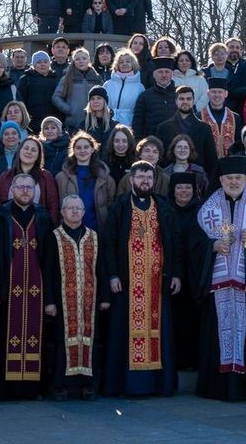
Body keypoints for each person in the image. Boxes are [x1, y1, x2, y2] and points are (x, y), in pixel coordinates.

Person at [100, 161, 183, 397]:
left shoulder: (163, 206)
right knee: (123, 333)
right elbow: (109, 243)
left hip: (157, 283)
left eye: (149, 178)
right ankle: (127, 385)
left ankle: (159, 384)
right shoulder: (121, 206)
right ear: (132, 180)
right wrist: (113, 274)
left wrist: (176, 274)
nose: (145, 181)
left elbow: (176, 243)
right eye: (141, 177)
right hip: (128, 283)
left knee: (160, 333)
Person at [190, 156, 246, 401]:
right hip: (217, 285)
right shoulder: (207, 208)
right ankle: (215, 388)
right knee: (215, 335)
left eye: (238, 178)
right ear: (221, 180)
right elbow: (193, 244)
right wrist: (211, 246)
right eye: (229, 178)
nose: (234, 182)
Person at [0, 173, 53, 399]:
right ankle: (0, 390)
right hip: (5, 290)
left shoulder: (42, 216)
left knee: (36, 338)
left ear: (35, 192)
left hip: (36, 290)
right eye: (20, 187)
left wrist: (50, 295)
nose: (25, 191)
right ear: (11, 189)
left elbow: (50, 259)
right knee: (1, 339)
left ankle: (33, 390)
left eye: (29, 187)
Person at [42, 195, 106, 401]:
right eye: (70, 208)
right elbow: (47, 271)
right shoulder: (54, 237)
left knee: (90, 339)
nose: (75, 212)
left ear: (84, 212)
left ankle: (87, 385)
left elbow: (102, 269)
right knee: (63, 342)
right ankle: (61, 385)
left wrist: (105, 297)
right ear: (62, 212)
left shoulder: (94, 237)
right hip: (63, 301)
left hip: (90, 299)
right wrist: (49, 301)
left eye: (79, 208)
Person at [167, 172, 203, 369]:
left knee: (192, 318)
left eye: (188, 187)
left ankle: (191, 360)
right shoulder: (165, 209)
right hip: (172, 273)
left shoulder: (201, 210)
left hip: (195, 273)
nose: (184, 191)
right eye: (179, 187)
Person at [54, 131, 116, 231]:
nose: (82, 150)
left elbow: (110, 205)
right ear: (73, 150)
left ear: (92, 149)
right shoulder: (61, 178)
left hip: (98, 230)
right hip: (70, 231)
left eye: (86, 147)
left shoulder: (106, 179)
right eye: (78, 148)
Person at [0, 135, 60, 221]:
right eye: (26, 148)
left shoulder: (46, 177)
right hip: (8, 228)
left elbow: (53, 207)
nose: (29, 152)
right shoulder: (5, 176)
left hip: (37, 228)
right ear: (19, 151)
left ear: (38, 155)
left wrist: (49, 229)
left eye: (33, 150)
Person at [51, 47, 103, 130]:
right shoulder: (67, 78)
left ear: (89, 60)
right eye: (77, 59)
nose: (81, 61)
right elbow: (56, 97)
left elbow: (103, 98)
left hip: (94, 123)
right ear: (74, 61)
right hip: (73, 124)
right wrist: (69, 110)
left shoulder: (97, 78)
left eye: (84, 58)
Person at [132, 57, 179, 139]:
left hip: (177, 143)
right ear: (154, 74)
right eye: (160, 72)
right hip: (152, 145)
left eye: (167, 72)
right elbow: (138, 123)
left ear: (172, 74)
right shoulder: (145, 96)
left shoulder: (180, 94)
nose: (164, 75)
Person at [16, 51, 59, 132]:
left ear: (49, 64)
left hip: (52, 124)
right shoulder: (25, 79)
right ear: (34, 65)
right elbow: (20, 102)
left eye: (45, 62)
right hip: (32, 124)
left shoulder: (55, 79)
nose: (42, 64)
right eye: (39, 62)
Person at [104, 50, 145, 127]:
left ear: (133, 64)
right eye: (121, 62)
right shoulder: (108, 84)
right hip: (108, 124)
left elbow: (141, 111)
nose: (124, 64)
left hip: (129, 125)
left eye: (128, 61)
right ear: (117, 65)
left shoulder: (139, 87)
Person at [165, 134, 210, 199]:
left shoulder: (199, 172)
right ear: (173, 150)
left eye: (186, 147)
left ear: (190, 151)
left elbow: (206, 194)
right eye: (179, 147)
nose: (182, 150)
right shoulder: (165, 173)